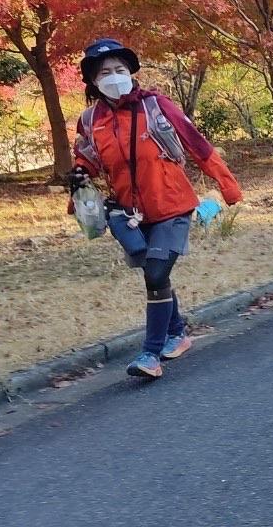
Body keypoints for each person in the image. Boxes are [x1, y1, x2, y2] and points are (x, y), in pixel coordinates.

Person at [68, 38, 243, 379]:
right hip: (128, 212)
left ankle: (150, 355)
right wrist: (78, 181)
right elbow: (86, 158)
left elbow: (198, 145)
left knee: (156, 274)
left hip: (172, 205)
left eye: (120, 69)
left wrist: (228, 187)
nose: (114, 76)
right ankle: (177, 333)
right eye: (105, 72)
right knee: (153, 271)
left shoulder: (156, 106)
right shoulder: (91, 120)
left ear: (132, 73)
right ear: (93, 80)